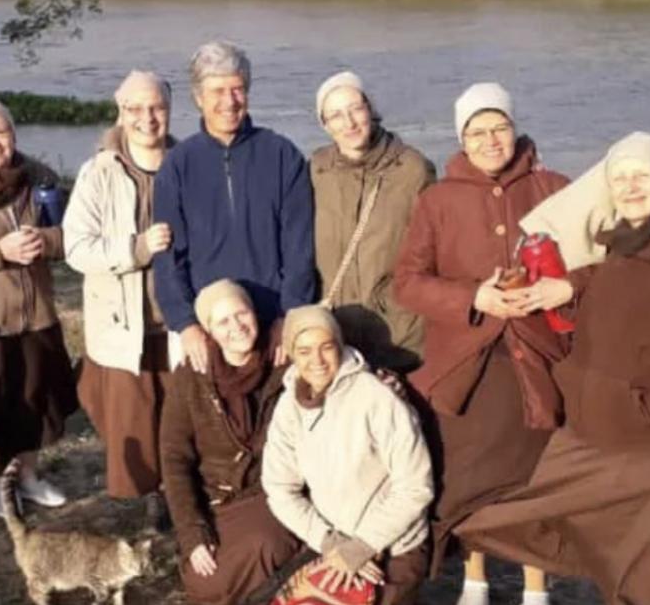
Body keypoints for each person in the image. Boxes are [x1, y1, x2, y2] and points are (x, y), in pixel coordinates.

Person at [453, 132, 650, 605]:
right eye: (619, 178)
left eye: (641, 175)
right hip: (598, 425)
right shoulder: (620, 242)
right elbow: (612, 284)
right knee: (527, 519)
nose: (630, 187)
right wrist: (568, 288)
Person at [393, 83, 572, 605]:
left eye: (499, 127)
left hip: (538, 358)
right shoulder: (437, 199)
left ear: (515, 130)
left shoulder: (553, 187)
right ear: (461, 139)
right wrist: (476, 297)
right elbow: (408, 281)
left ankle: (535, 587)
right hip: (464, 359)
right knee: (467, 476)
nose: (490, 140)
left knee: (533, 479)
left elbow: (591, 263)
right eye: (477, 131)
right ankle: (475, 580)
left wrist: (562, 288)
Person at [153, 40, 315, 373]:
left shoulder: (282, 155)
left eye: (238, 89)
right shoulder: (178, 166)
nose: (229, 101)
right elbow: (168, 257)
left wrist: (290, 313)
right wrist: (186, 324)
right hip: (207, 328)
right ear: (199, 98)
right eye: (217, 91)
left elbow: (300, 247)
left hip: (274, 326)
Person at [262, 305, 434, 605]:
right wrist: (332, 544)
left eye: (326, 347)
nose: (316, 360)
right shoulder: (288, 407)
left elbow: (415, 487)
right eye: (304, 351)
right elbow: (279, 489)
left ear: (340, 346)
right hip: (331, 543)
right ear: (291, 353)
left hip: (393, 546)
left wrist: (361, 547)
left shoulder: (377, 398)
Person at [63, 71, 175, 526]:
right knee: (133, 416)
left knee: (177, 417)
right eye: (136, 109)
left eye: (156, 108)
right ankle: (148, 498)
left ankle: (178, 492)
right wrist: (135, 249)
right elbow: (75, 247)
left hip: (178, 322)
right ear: (120, 111)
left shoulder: (187, 163)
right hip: (123, 323)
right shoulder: (99, 172)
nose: (147, 119)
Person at [160, 279, 300, 605]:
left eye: (242, 314)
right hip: (217, 501)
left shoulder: (283, 363)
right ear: (208, 331)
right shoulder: (190, 377)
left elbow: (330, 358)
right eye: (223, 321)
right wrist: (193, 533)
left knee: (266, 545)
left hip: (270, 493)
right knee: (205, 581)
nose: (237, 327)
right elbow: (174, 459)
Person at [0, 99, 77, 516]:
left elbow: (71, 232)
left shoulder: (39, 177)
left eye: (1, 131)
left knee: (37, 401)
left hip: (37, 312)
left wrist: (48, 242)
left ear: (14, 134)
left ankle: (28, 476)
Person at [311, 71, 435, 372]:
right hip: (338, 332)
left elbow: (436, 248)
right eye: (336, 115)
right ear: (325, 125)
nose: (349, 123)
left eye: (355, 109)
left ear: (370, 109)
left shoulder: (412, 170)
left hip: (399, 331)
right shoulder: (318, 170)